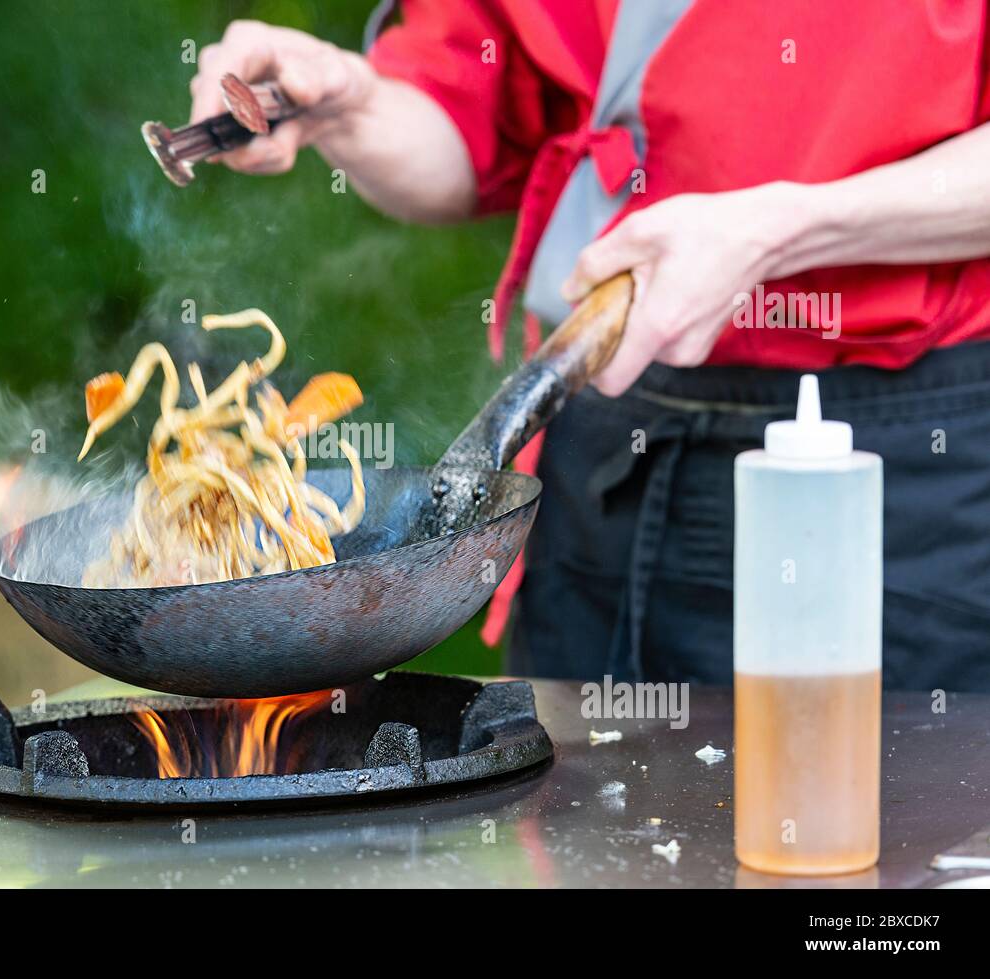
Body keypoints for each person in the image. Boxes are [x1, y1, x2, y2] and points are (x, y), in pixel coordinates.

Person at [187, 2, 990, 692]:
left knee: (865, 845)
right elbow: (476, 112)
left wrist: (784, 232)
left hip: (900, 461)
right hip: (600, 448)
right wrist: (355, 108)